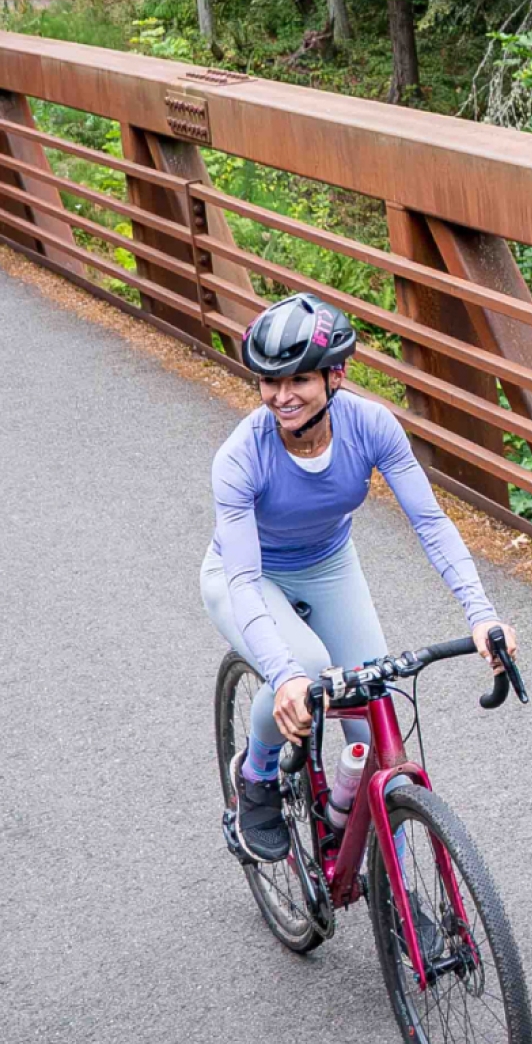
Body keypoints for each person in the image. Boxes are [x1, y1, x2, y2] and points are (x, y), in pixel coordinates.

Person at [200, 293, 513, 862]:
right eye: (269, 381)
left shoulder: (371, 426)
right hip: (246, 574)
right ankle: (257, 775)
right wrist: (287, 675)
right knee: (307, 670)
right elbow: (244, 579)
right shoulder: (241, 456)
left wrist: (481, 614)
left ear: (336, 375)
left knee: (375, 703)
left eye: (297, 380)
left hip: (327, 564)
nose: (280, 396)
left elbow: (431, 523)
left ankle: (385, 879)